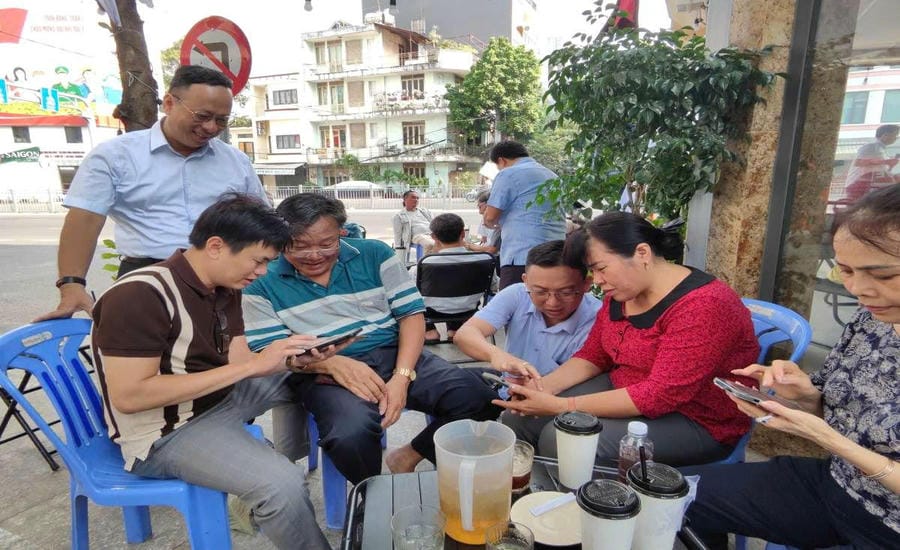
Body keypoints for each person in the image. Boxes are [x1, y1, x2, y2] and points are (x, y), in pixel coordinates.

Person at [90, 194, 332, 550]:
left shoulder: (224, 285)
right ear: (216, 246)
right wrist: (254, 365)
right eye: (259, 261)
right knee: (281, 485)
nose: (262, 271)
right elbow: (130, 397)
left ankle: (322, 449)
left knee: (314, 371)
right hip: (168, 432)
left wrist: (296, 359)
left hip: (217, 400)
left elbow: (238, 360)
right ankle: (273, 481)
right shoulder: (140, 295)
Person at [681, 185, 900, 550]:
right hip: (837, 485)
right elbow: (835, 408)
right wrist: (805, 397)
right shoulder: (871, 322)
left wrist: (828, 438)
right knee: (674, 493)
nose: (860, 289)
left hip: (889, 525)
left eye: (883, 275)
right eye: (845, 271)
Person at [242, 193, 505, 482]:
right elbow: (270, 350)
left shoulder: (373, 254)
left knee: (481, 399)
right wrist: (330, 364)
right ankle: (370, 493)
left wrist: (402, 377)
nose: (314, 255)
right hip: (318, 370)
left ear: (341, 232)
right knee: (349, 433)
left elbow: (411, 316)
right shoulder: (260, 279)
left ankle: (408, 455)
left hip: (394, 352)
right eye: (299, 246)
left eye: (326, 244)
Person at [498, 212, 760, 467]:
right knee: (517, 418)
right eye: (592, 271)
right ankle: (532, 495)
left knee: (564, 439)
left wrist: (559, 406)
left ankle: (584, 505)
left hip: (697, 419)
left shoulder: (704, 306)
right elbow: (595, 354)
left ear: (642, 253)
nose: (598, 282)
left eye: (600, 268)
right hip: (627, 387)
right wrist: (543, 388)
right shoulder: (623, 293)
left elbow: (659, 395)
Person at [38, 65, 268, 321]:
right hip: (147, 276)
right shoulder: (115, 156)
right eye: (202, 116)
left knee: (222, 356)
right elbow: (85, 221)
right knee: (142, 357)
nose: (212, 127)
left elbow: (259, 221)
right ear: (169, 103)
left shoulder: (235, 161)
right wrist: (71, 284)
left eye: (222, 120)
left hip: (221, 281)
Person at [454, 240, 601, 387]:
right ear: (526, 281)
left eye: (566, 292)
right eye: (540, 291)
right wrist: (498, 356)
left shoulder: (599, 319)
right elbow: (465, 334)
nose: (552, 303)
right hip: (507, 386)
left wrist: (533, 387)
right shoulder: (517, 294)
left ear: (587, 283)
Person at [482, 141, 566, 290]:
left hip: (523, 256)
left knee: (513, 307)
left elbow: (490, 216)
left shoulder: (507, 173)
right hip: (558, 253)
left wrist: (491, 222)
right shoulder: (552, 175)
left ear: (502, 160)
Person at [408, 213, 496, 344]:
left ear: (433, 237)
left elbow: (411, 294)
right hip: (469, 309)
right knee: (458, 289)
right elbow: (494, 287)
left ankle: (429, 331)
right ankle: (455, 329)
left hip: (432, 312)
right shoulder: (485, 260)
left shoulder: (423, 265)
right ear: (463, 234)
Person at [843, 124, 899, 203]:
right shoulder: (870, 146)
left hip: (872, 186)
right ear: (885, 135)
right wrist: (886, 162)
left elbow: (881, 171)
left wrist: (890, 165)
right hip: (859, 185)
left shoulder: (883, 151)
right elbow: (858, 162)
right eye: (895, 135)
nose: (896, 138)